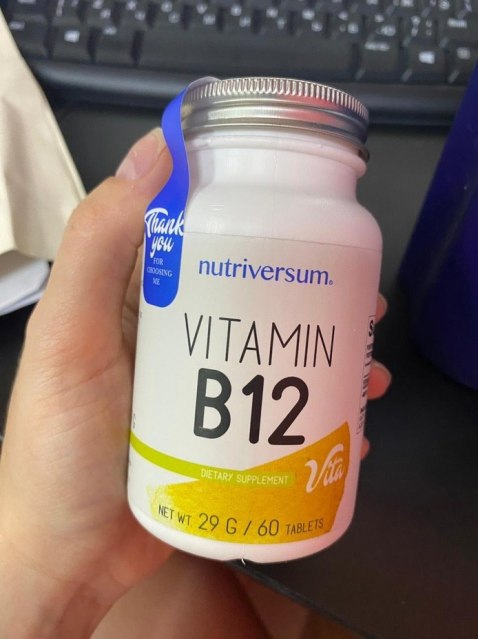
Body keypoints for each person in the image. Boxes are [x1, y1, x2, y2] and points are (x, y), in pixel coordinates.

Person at [0, 130, 391, 638]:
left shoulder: (343, 231)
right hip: (173, 505)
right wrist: (39, 561)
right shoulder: (192, 219)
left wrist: (39, 571)